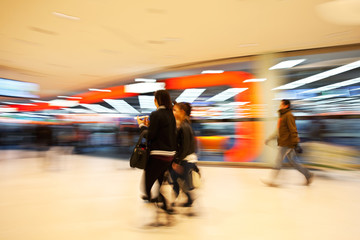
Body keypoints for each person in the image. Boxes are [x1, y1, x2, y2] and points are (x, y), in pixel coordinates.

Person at [137, 90, 177, 213]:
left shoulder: (156, 114)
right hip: (170, 155)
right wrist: (151, 125)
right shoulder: (171, 115)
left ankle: (151, 198)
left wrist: (142, 126)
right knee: (160, 178)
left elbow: (151, 135)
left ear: (157, 100)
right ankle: (163, 202)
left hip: (158, 154)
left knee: (147, 182)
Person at [263, 99, 313, 186]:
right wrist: (269, 138)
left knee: (278, 161)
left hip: (286, 143)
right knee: (293, 162)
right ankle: (308, 175)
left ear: (286, 105)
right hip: (284, 142)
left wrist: (295, 143)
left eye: (281, 104)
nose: (279, 106)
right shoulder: (282, 116)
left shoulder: (289, 115)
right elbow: (277, 131)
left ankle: (272, 180)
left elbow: (293, 130)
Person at [170, 102, 199, 207]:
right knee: (179, 180)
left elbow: (185, 147)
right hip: (187, 159)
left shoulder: (184, 126)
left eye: (175, 110)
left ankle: (174, 201)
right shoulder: (184, 125)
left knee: (179, 180)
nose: (173, 112)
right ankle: (182, 199)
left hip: (186, 159)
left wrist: (177, 162)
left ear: (182, 112)